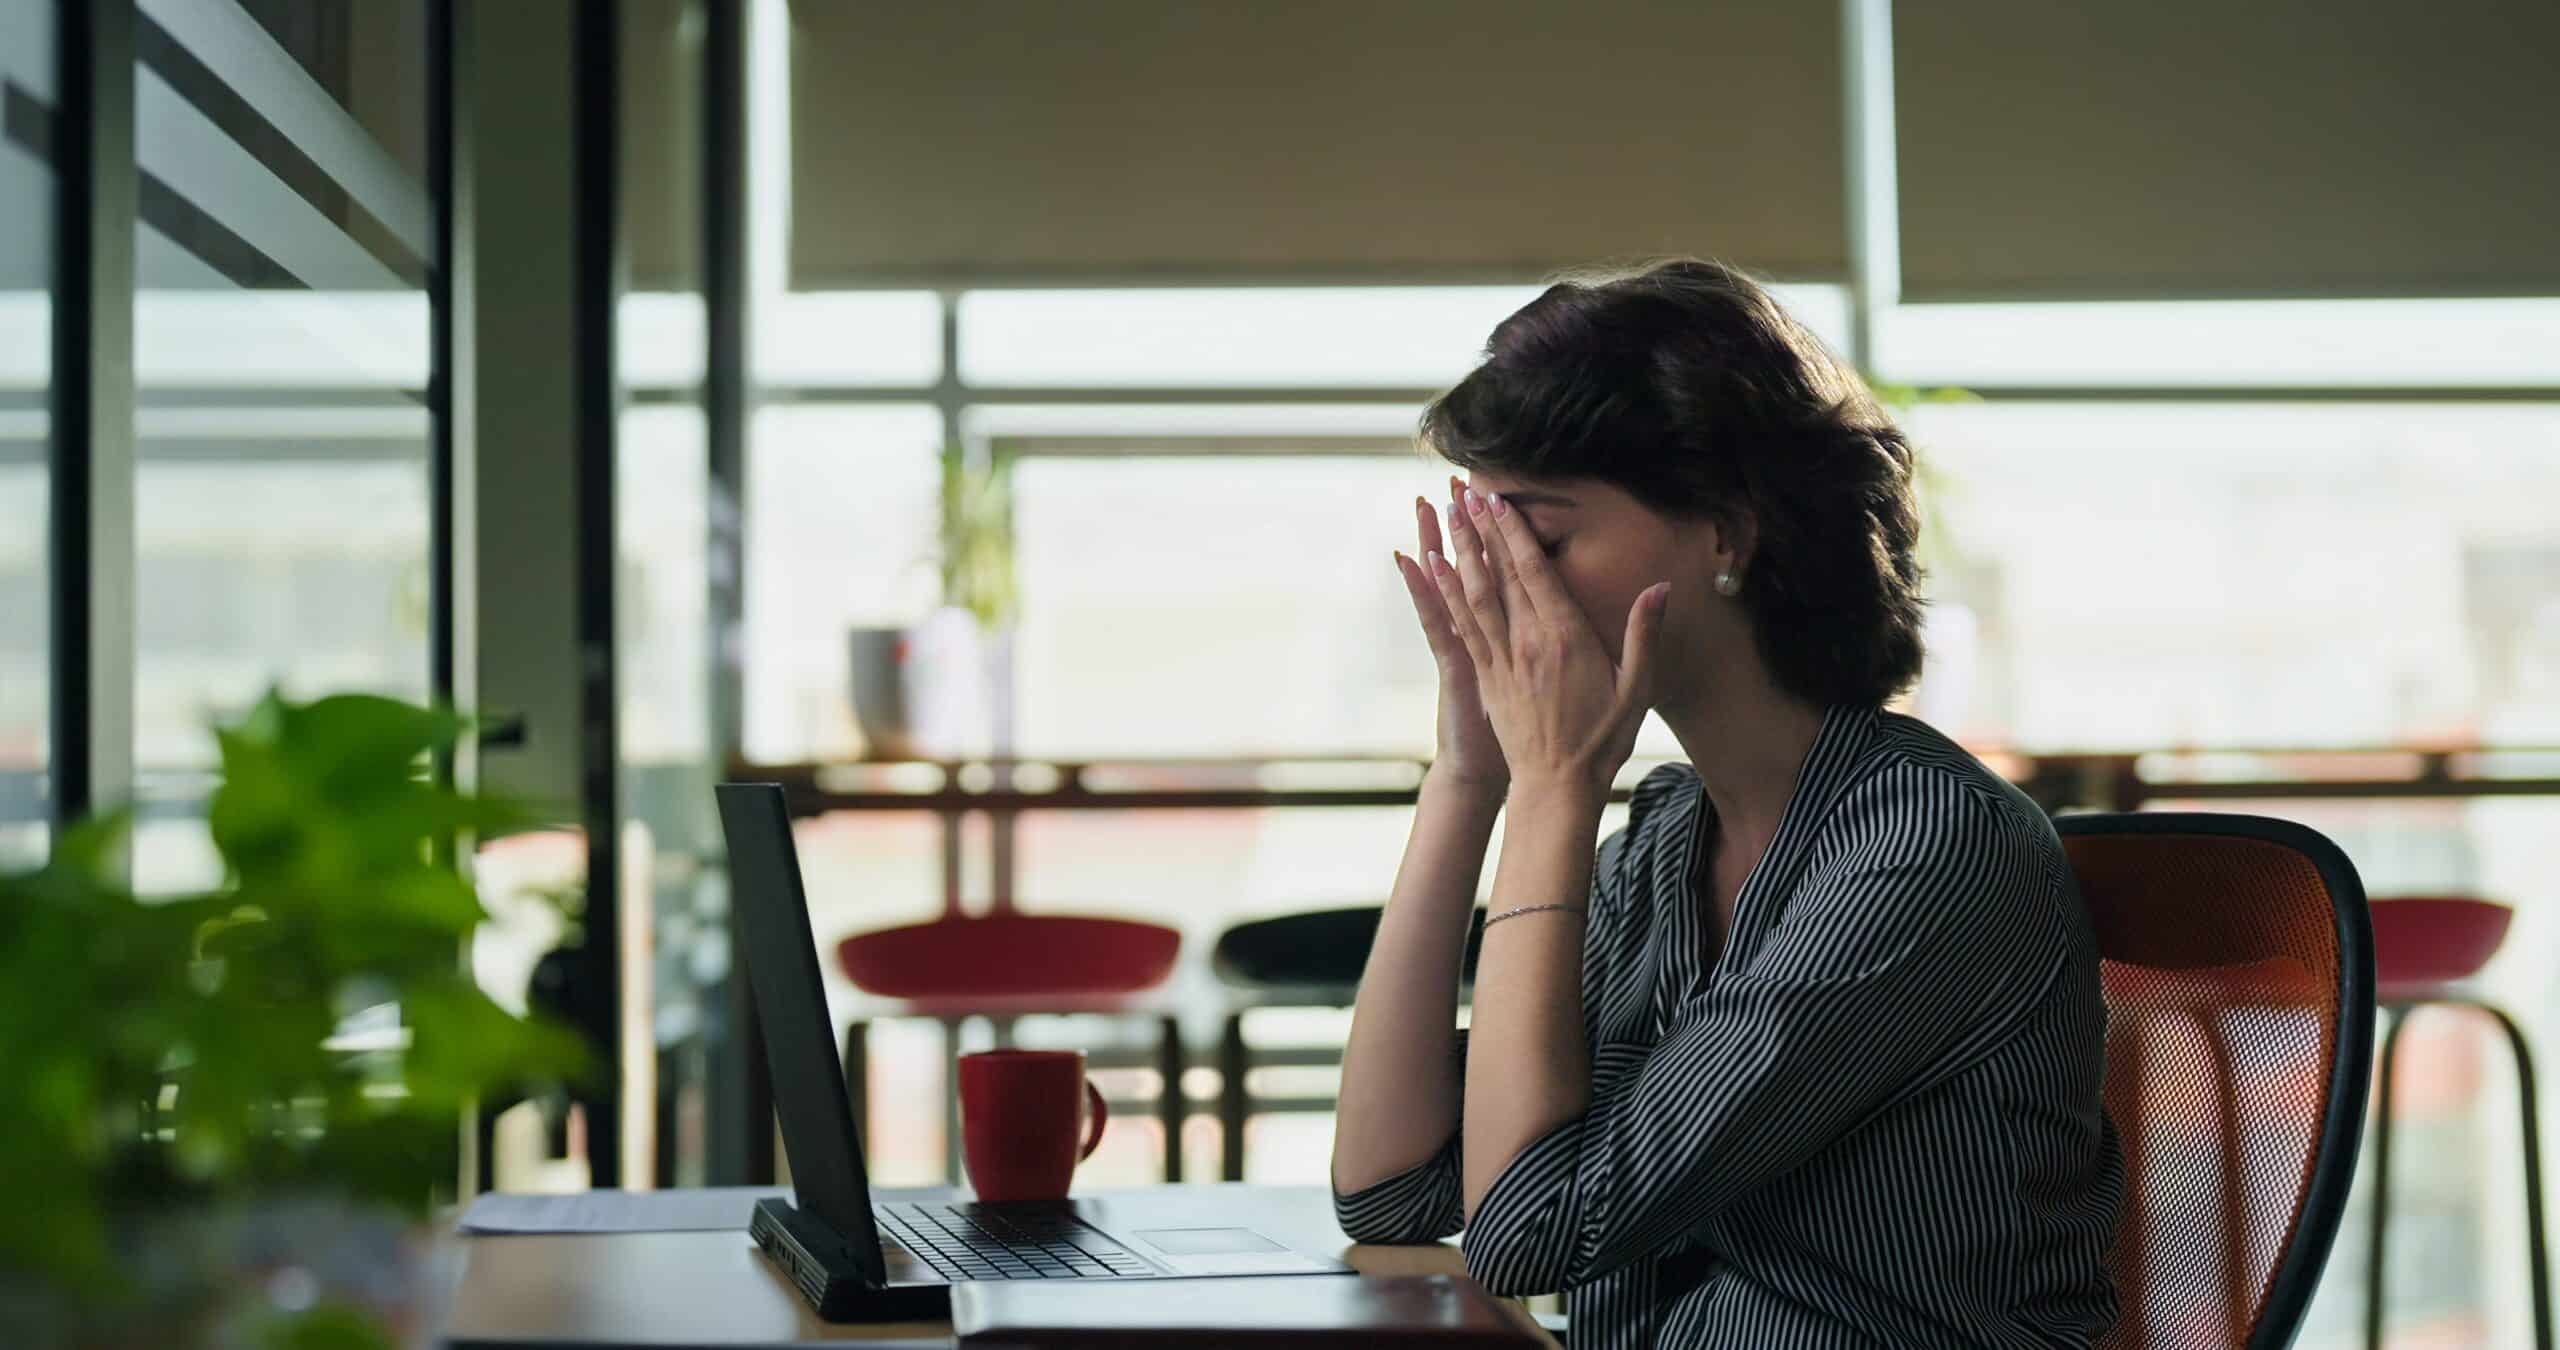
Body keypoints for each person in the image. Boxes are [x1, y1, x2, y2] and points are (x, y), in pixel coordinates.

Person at [1331, 258, 2123, 1347]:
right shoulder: (1662, 846)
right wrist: (1468, 777)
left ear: (1726, 537)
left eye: (1543, 541)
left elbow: (1526, 1236)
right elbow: (1393, 1191)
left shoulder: (1923, 846)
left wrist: (1557, 788)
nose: (1502, 590)